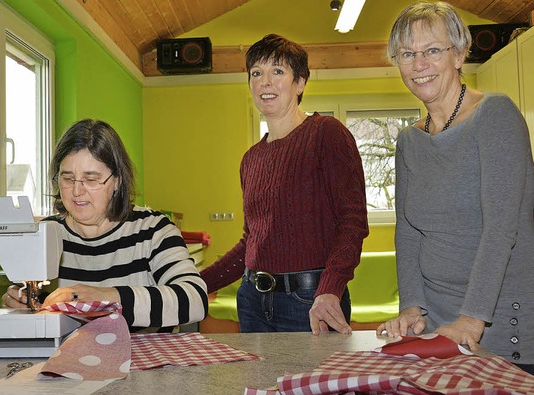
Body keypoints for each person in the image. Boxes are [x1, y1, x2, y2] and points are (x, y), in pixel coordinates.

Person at [376, 2, 534, 373]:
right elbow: (408, 234)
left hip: (491, 319)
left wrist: (472, 319)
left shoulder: (494, 115)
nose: (419, 64)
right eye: (407, 54)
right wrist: (411, 309)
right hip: (435, 326)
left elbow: (501, 228)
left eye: (432, 50)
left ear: (460, 53)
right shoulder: (408, 141)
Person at [200, 34, 369, 334]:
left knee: (312, 383)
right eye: (256, 73)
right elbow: (251, 242)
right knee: (260, 383)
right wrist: (195, 284)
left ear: (300, 82)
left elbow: (352, 222)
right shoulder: (251, 159)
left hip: (311, 301)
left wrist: (331, 288)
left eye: (277, 71)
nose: (265, 82)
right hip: (251, 300)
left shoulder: (326, 134)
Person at [2, 119, 208, 332]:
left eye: (91, 180)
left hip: (142, 356)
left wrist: (109, 297)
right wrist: (18, 304)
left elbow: (195, 300)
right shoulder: (43, 235)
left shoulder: (154, 231)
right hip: (67, 356)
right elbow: (33, 304)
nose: (76, 191)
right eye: (68, 179)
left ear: (117, 180)